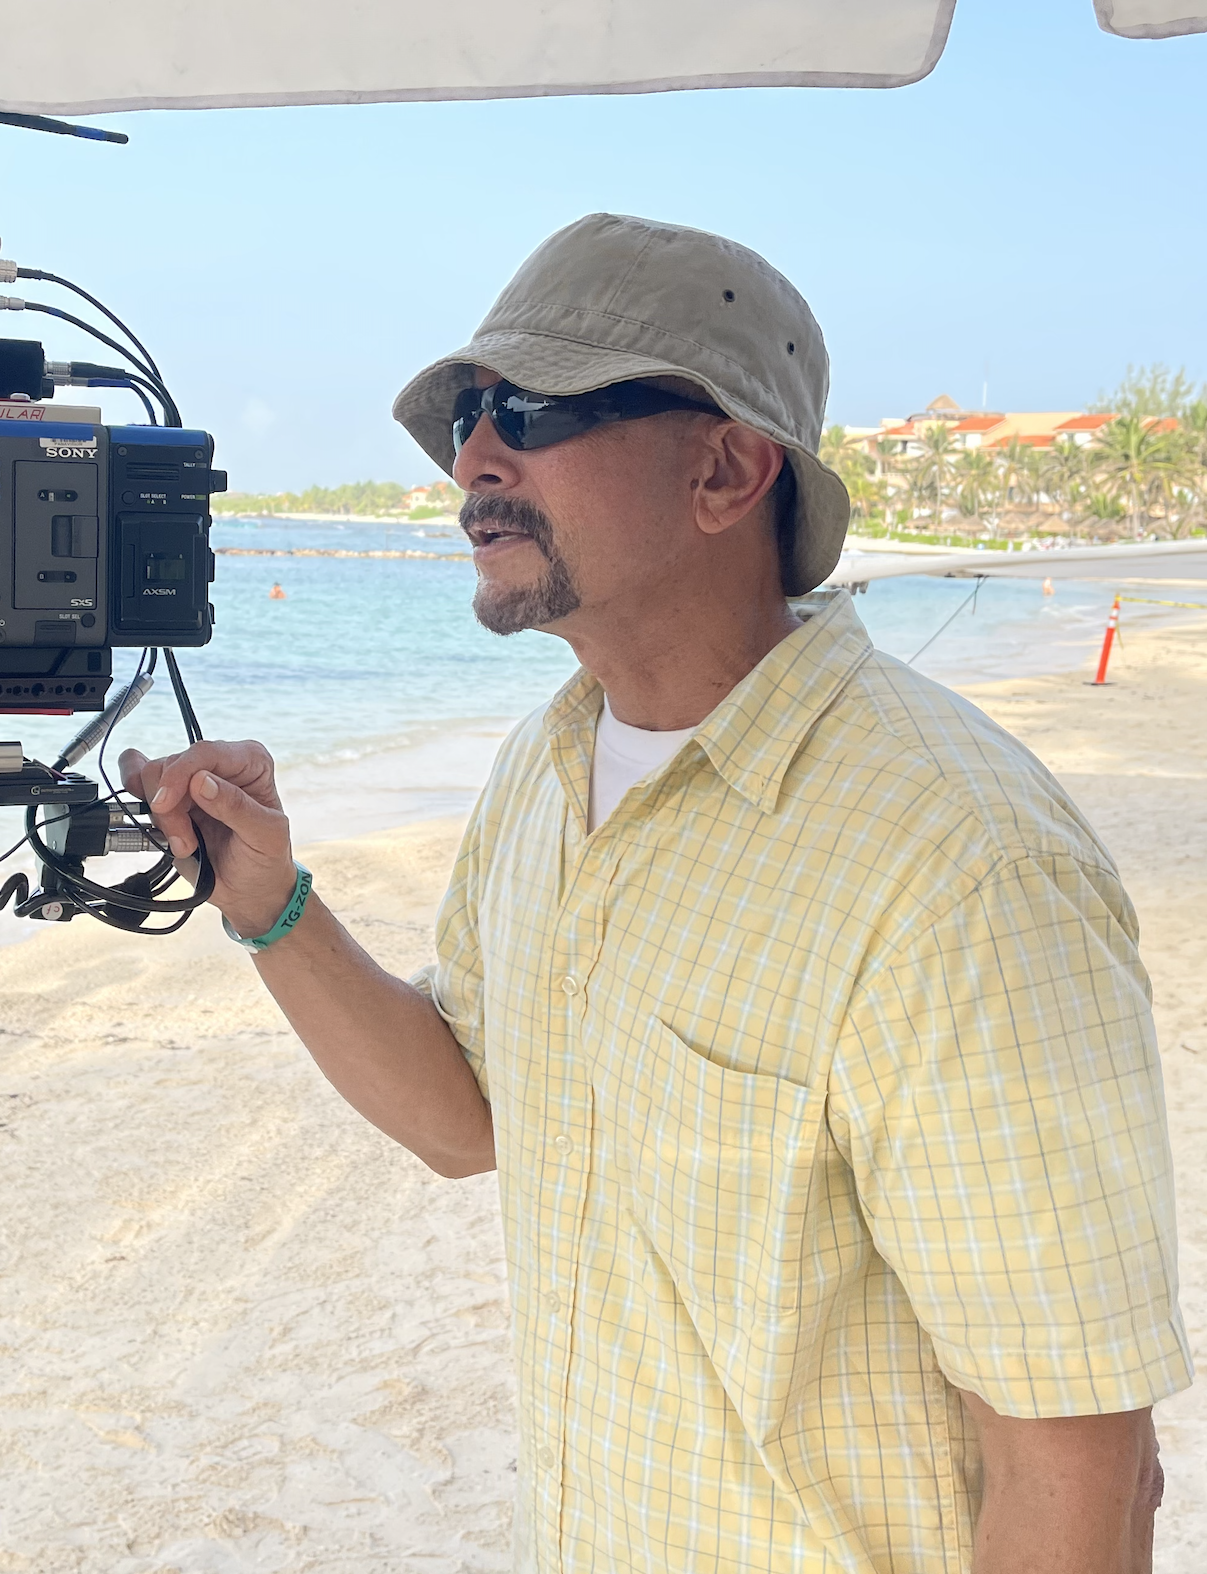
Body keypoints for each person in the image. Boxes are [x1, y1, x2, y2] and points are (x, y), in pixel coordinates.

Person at [123, 214, 1186, 1573]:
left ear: (728, 470)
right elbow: (466, 1116)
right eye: (467, 412)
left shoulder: (961, 867)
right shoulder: (546, 768)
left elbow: (1080, 1469)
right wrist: (271, 904)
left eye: (536, 407)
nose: (473, 457)